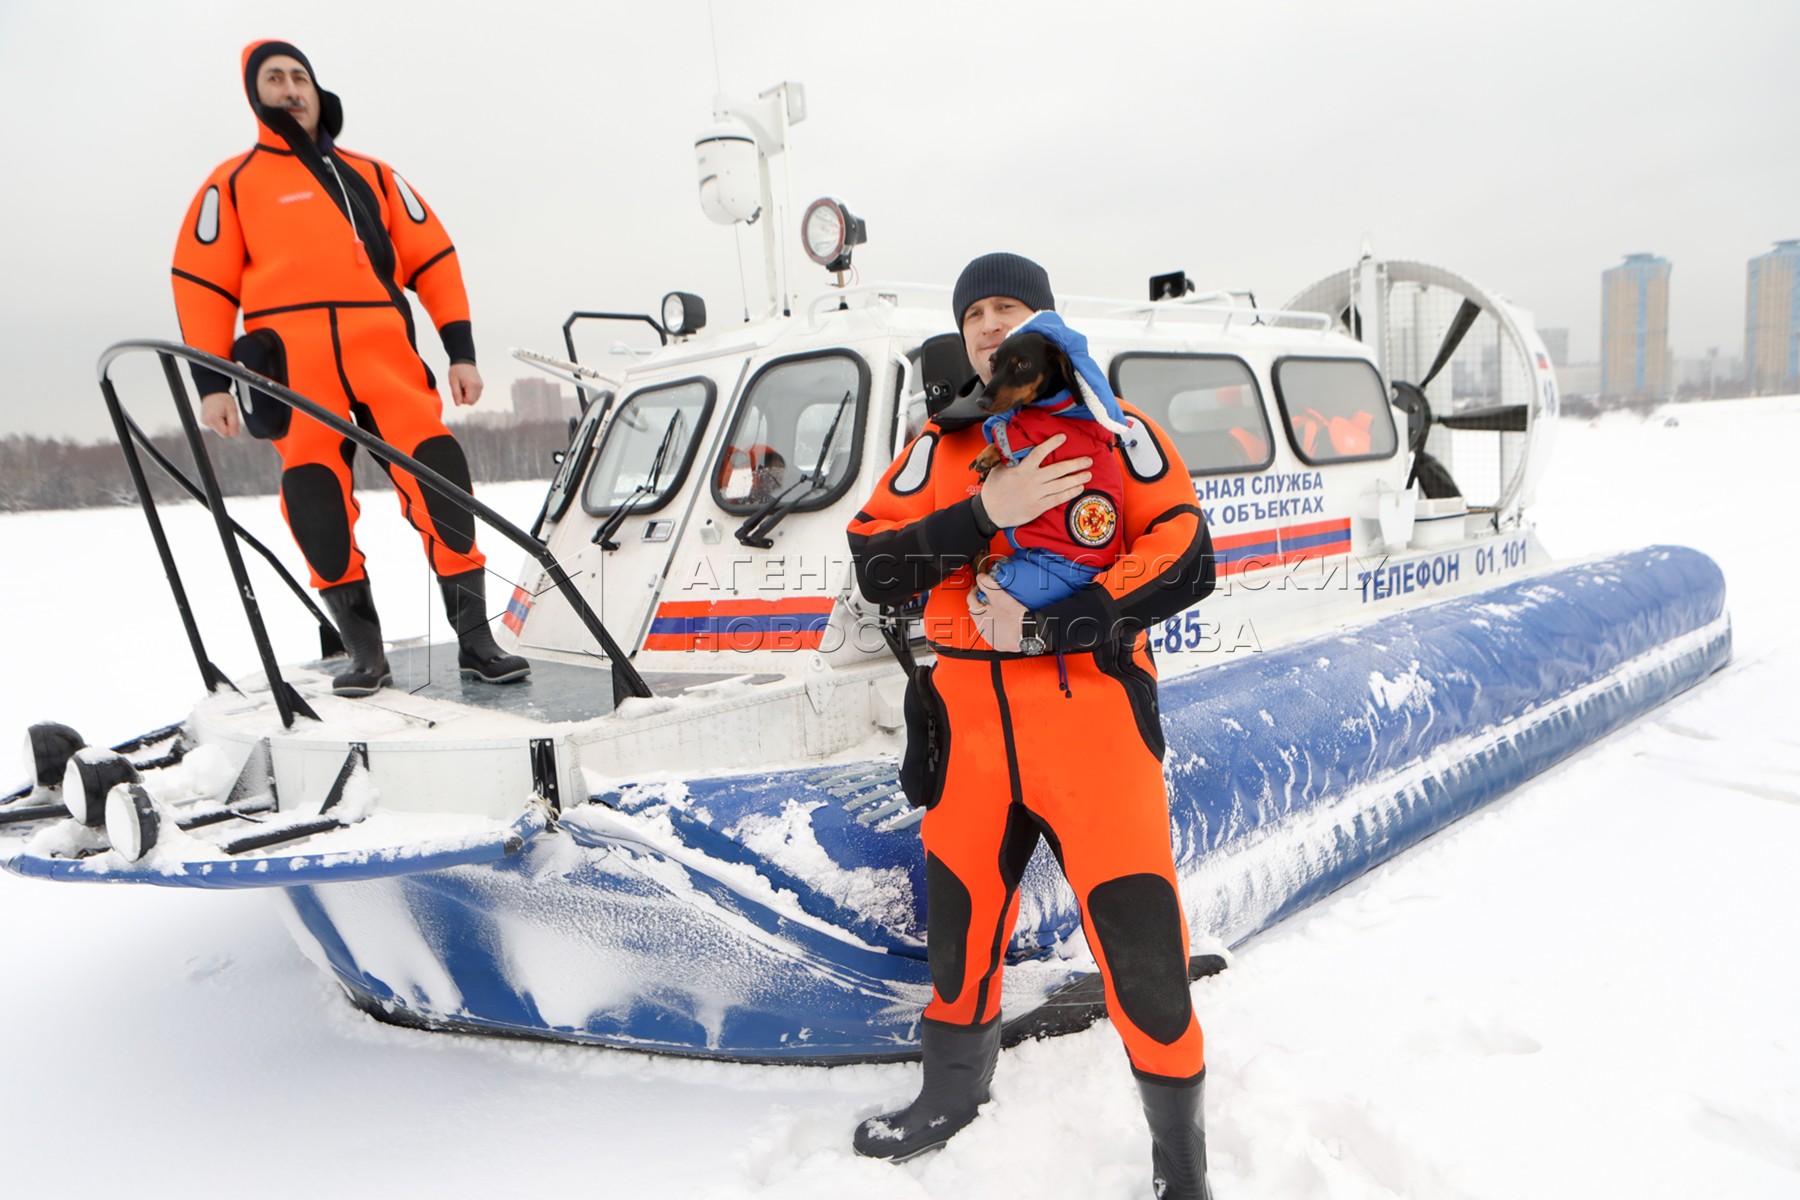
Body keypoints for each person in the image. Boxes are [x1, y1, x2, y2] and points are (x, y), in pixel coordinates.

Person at [845, 253, 1218, 1198]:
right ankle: (950, 1097)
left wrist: (1056, 620)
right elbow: (874, 567)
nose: (987, 325)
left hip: (1091, 723)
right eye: (974, 313)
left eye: (1006, 308)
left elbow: (1188, 560)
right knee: (960, 931)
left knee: (1142, 946)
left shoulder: (1117, 432)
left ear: (1045, 323)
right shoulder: (940, 449)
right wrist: (983, 514)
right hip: (971, 734)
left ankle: (1182, 1165)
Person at [171, 39, 527, 695]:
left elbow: (434, 258)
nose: (290, 89)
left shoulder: (374, 175)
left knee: (442, 479)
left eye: (299, 76)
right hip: (296, 376)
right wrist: (211, 384)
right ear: (255, 94)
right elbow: (201, 284)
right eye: (274, 78)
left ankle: (477, 642)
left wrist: (462, 351)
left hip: (385, 362)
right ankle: (366, 655)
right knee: (314, 505)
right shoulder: (233, 184)